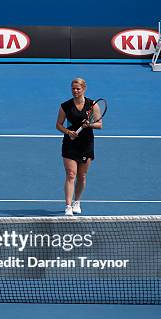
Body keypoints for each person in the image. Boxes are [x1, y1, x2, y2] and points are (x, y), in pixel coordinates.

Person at [55, 78, 103, 216]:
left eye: (78, 89)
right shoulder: (65, 106)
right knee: (71, 174)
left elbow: (100, 125)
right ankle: (68, 205)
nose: (75, 91)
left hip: (86, 143)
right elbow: (58, 125)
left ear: (84, 89)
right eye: (73, 89)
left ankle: (77, 202)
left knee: (81, 176)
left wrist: (90, 125)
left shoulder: (92, 105)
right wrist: (68, 132)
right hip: (70, 143)